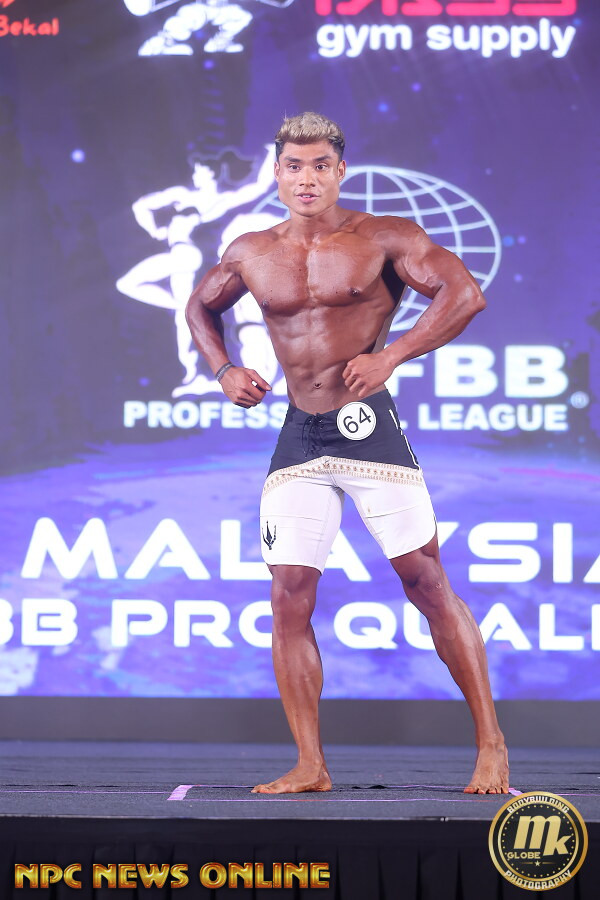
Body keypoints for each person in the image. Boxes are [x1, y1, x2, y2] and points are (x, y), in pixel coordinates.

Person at [185, 111, 509, 795]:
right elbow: (200, 307)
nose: (306, 179)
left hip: (368, 428)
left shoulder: (384, 237)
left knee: (425, 581)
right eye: (293, 166)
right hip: (300, 432)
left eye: (319, 166)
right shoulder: (250, 250)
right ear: (277, 174)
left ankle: (491, 744)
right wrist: (223, 369)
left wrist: (393, 354)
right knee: (288, 596)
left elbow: (464, 294)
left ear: (340, 171)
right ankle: (311, 764)